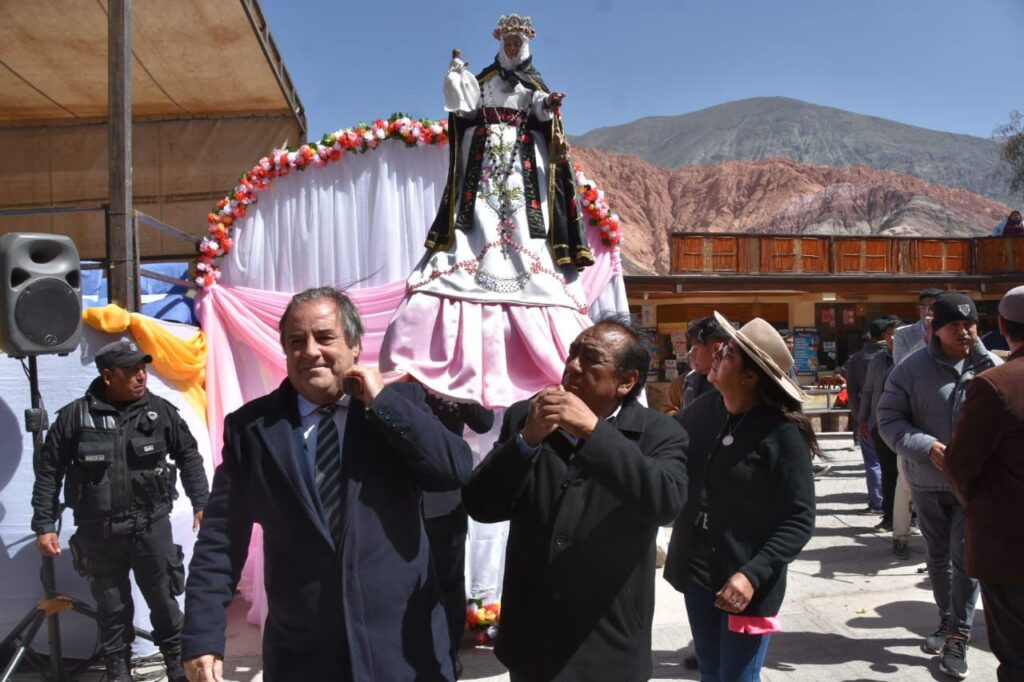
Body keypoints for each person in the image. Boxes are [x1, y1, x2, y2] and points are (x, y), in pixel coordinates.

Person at [181, 287, 474, 682]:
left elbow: (453, 469)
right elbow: (221, 538)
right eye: (296, 342)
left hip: (401, 648)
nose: (311, 351)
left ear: (355, 345)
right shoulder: (252, 429)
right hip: (304, 653)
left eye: (325, 337)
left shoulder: (398, 405)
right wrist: (202, 635)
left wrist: (383, 403)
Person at [381, 14, 594, 409]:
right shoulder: (484, 79)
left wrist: (548, 103)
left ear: (525, 43)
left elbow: (540, 110)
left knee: (523, 214)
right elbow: (463, 111)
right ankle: (474, 258)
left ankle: (524, 264)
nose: (513, 47)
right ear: (500, 42)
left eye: (518, 42)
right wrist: (459, 82)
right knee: (479, 211)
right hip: (483, 158)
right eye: (508, 42)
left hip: (523, 161)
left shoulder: (533, 81)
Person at [462, 316, 688, 681]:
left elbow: (664, 502)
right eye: (572, 353)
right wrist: (526, 442)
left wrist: (593, 432)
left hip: (607, 643)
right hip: (532, 642)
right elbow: (482, 504)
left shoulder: (661, 433)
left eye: (590, 358)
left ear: (626, 381)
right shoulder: (529, 415)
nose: (572, 366)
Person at [31, 340, 209, 682]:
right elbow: (49, 470)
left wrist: (202, 502)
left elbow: (189, 456)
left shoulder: (160, 413)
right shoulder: (74, 418)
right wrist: (44, 523)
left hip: (150, 526)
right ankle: (118, 669)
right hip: (99, 532)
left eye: (143, 368)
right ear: (108, 375)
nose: (141, 376)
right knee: (112, 608)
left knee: (165, 602)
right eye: (131, 371)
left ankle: (177, 666)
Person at [664, 313, 817, 681]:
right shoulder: (700, 412)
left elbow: (799, 519)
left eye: (729, 354)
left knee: (737, 678)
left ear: (750, 377)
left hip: (747, 582)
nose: (717, 355)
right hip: (697, 571)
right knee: (711, 672)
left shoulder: (782, 434)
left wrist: (752, 574)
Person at [877, 292, 1002, 679]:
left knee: (966, 558)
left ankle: (959, 636)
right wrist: (924, 445)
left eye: (970, 324)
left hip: (975, 486)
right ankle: (947, 621)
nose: (964, 332)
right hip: (928, 482)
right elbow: (889, 418)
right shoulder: (910, 369)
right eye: (955, 325)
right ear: (935, 328)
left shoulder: (992, 366)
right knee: (937, 557)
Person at [945, 285, 1024, 681]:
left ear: (1001, 326)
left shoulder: (996, 385)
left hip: (1011, 550)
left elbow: (960, 466)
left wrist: (978, 507)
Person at [420, 392, 494, 678]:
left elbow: (484, 422)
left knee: (448, 581)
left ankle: (446, 654)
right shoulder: (397, 374)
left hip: (446, 495)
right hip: (402, 495)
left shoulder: (456, 382)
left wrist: (456, 394)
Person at [857, 318, 903, 537]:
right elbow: (867, 391)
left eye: (896, 333)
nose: (892, 338)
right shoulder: (877, 360)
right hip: (880, 425)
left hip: (908, 426)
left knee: (909, 476)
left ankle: (911, 517)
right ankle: (889, 516)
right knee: (888, 472)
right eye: (888, 334)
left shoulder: (914, 358)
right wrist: (863, 419)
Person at [846, 324, 889, 515]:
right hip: (898, 417)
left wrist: (858, 418)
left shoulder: (856, 359)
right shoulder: (903, 356)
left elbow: (854, 393)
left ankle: (878, 502)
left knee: (873, 461)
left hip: (870, 416)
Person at [660, 317, 729, 415]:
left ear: (716, 348)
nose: (690, 354)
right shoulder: (683, 382)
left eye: (696, 348)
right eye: (691, 347)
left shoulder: (734, 385)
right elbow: (668, 410)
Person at [893, 288, 943, 364]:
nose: (927, 312)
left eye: (932, 308)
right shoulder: (902, 333)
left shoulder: (951, 330)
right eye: (923, 307)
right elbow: (899, 364)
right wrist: (926, 339)